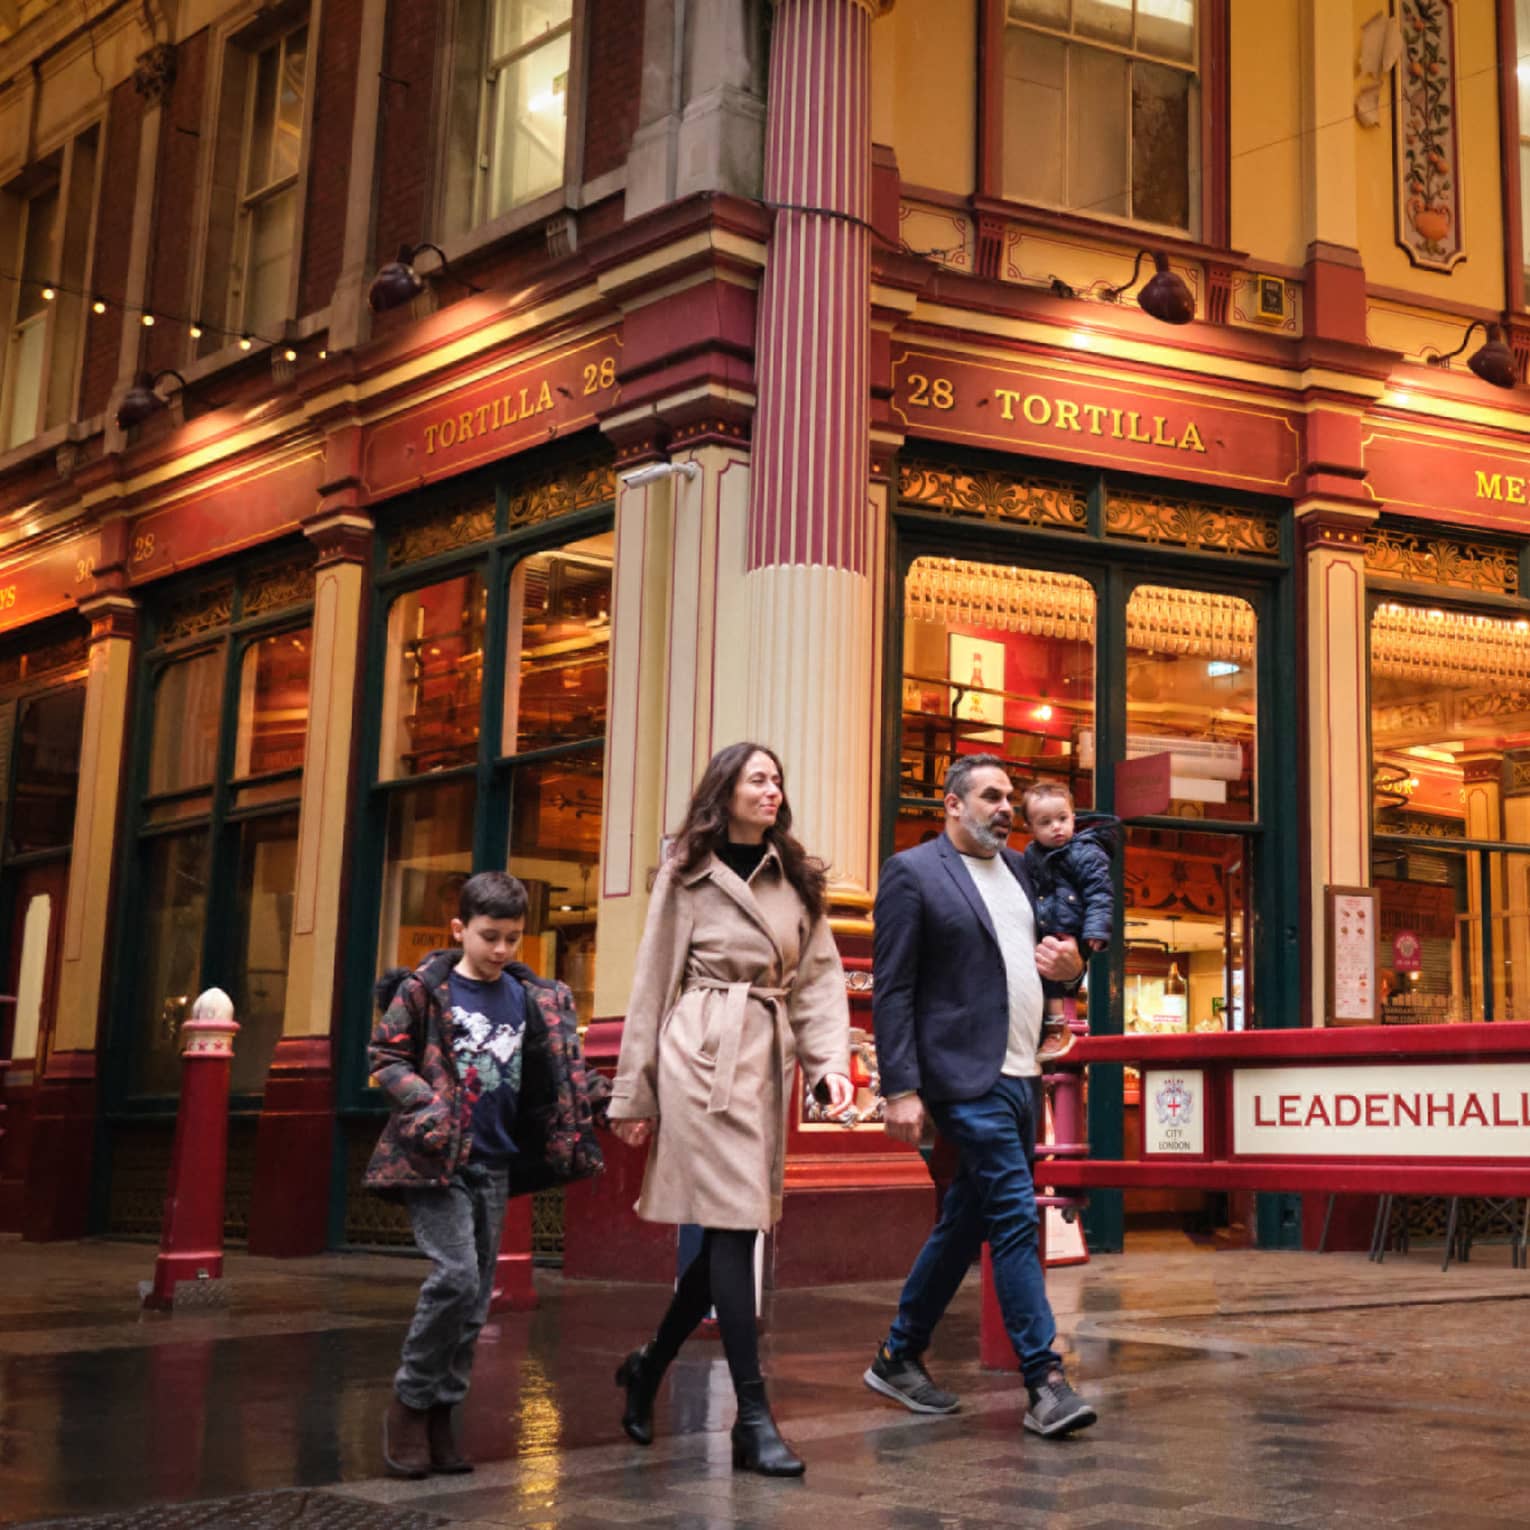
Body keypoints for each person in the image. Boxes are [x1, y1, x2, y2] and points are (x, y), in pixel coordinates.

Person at [608, 742, 855, 1477]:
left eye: (778, 779)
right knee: (736, 1228)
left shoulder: (797, 878)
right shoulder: (686, 874)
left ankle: (648, 1365)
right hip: (699, 1056)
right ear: (726, 790)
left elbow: (818, 982)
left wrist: (828, 1065)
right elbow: (652, 981)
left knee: (730, 1230)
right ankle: (753, 1416)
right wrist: (634, 1090)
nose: (772, 790)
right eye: (758, 779)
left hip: (765, 1061)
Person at [862, 753, 1098, 1439]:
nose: (1005, 808)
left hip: (1023, 1073)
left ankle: (898, 1354)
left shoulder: (1024, 872)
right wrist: (900, 1086)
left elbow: (1056, 960)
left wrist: (1074, 964)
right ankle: (1044, 1380)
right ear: (952, 806)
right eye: (991, 797)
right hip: (964, 1078)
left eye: (1010, 797)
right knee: (1016, 1216)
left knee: (968, 1218)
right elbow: (893, 987)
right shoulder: (913, 873)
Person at [367, 870, 607, 1478]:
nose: (501, 950)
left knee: (474, 1302)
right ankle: (409, 1403)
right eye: (488, 936)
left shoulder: (535, 997)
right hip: (436, 1160)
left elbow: (564, 1073)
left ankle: (443, 1415)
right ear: (459, 929)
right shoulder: (424, 990)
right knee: (455, 1276)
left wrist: (613, 1101)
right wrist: (427, 1104)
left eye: (512, 938)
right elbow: (385, 1055)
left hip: (496, 1162)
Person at [1019, 780, 1119, 1062]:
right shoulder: (1032, 855)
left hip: (1072, 928)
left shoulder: (1086, 852)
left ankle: (1057, 1027)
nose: (1056, 827)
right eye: (1045, 822)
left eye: (1063, 819)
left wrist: (1096, 929)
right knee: (1045, 975)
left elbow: (1100, 893)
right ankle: (1051, 1027)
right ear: (1030, 827)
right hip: (1049, 925)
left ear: (1074, 818)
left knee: (1056, 979)